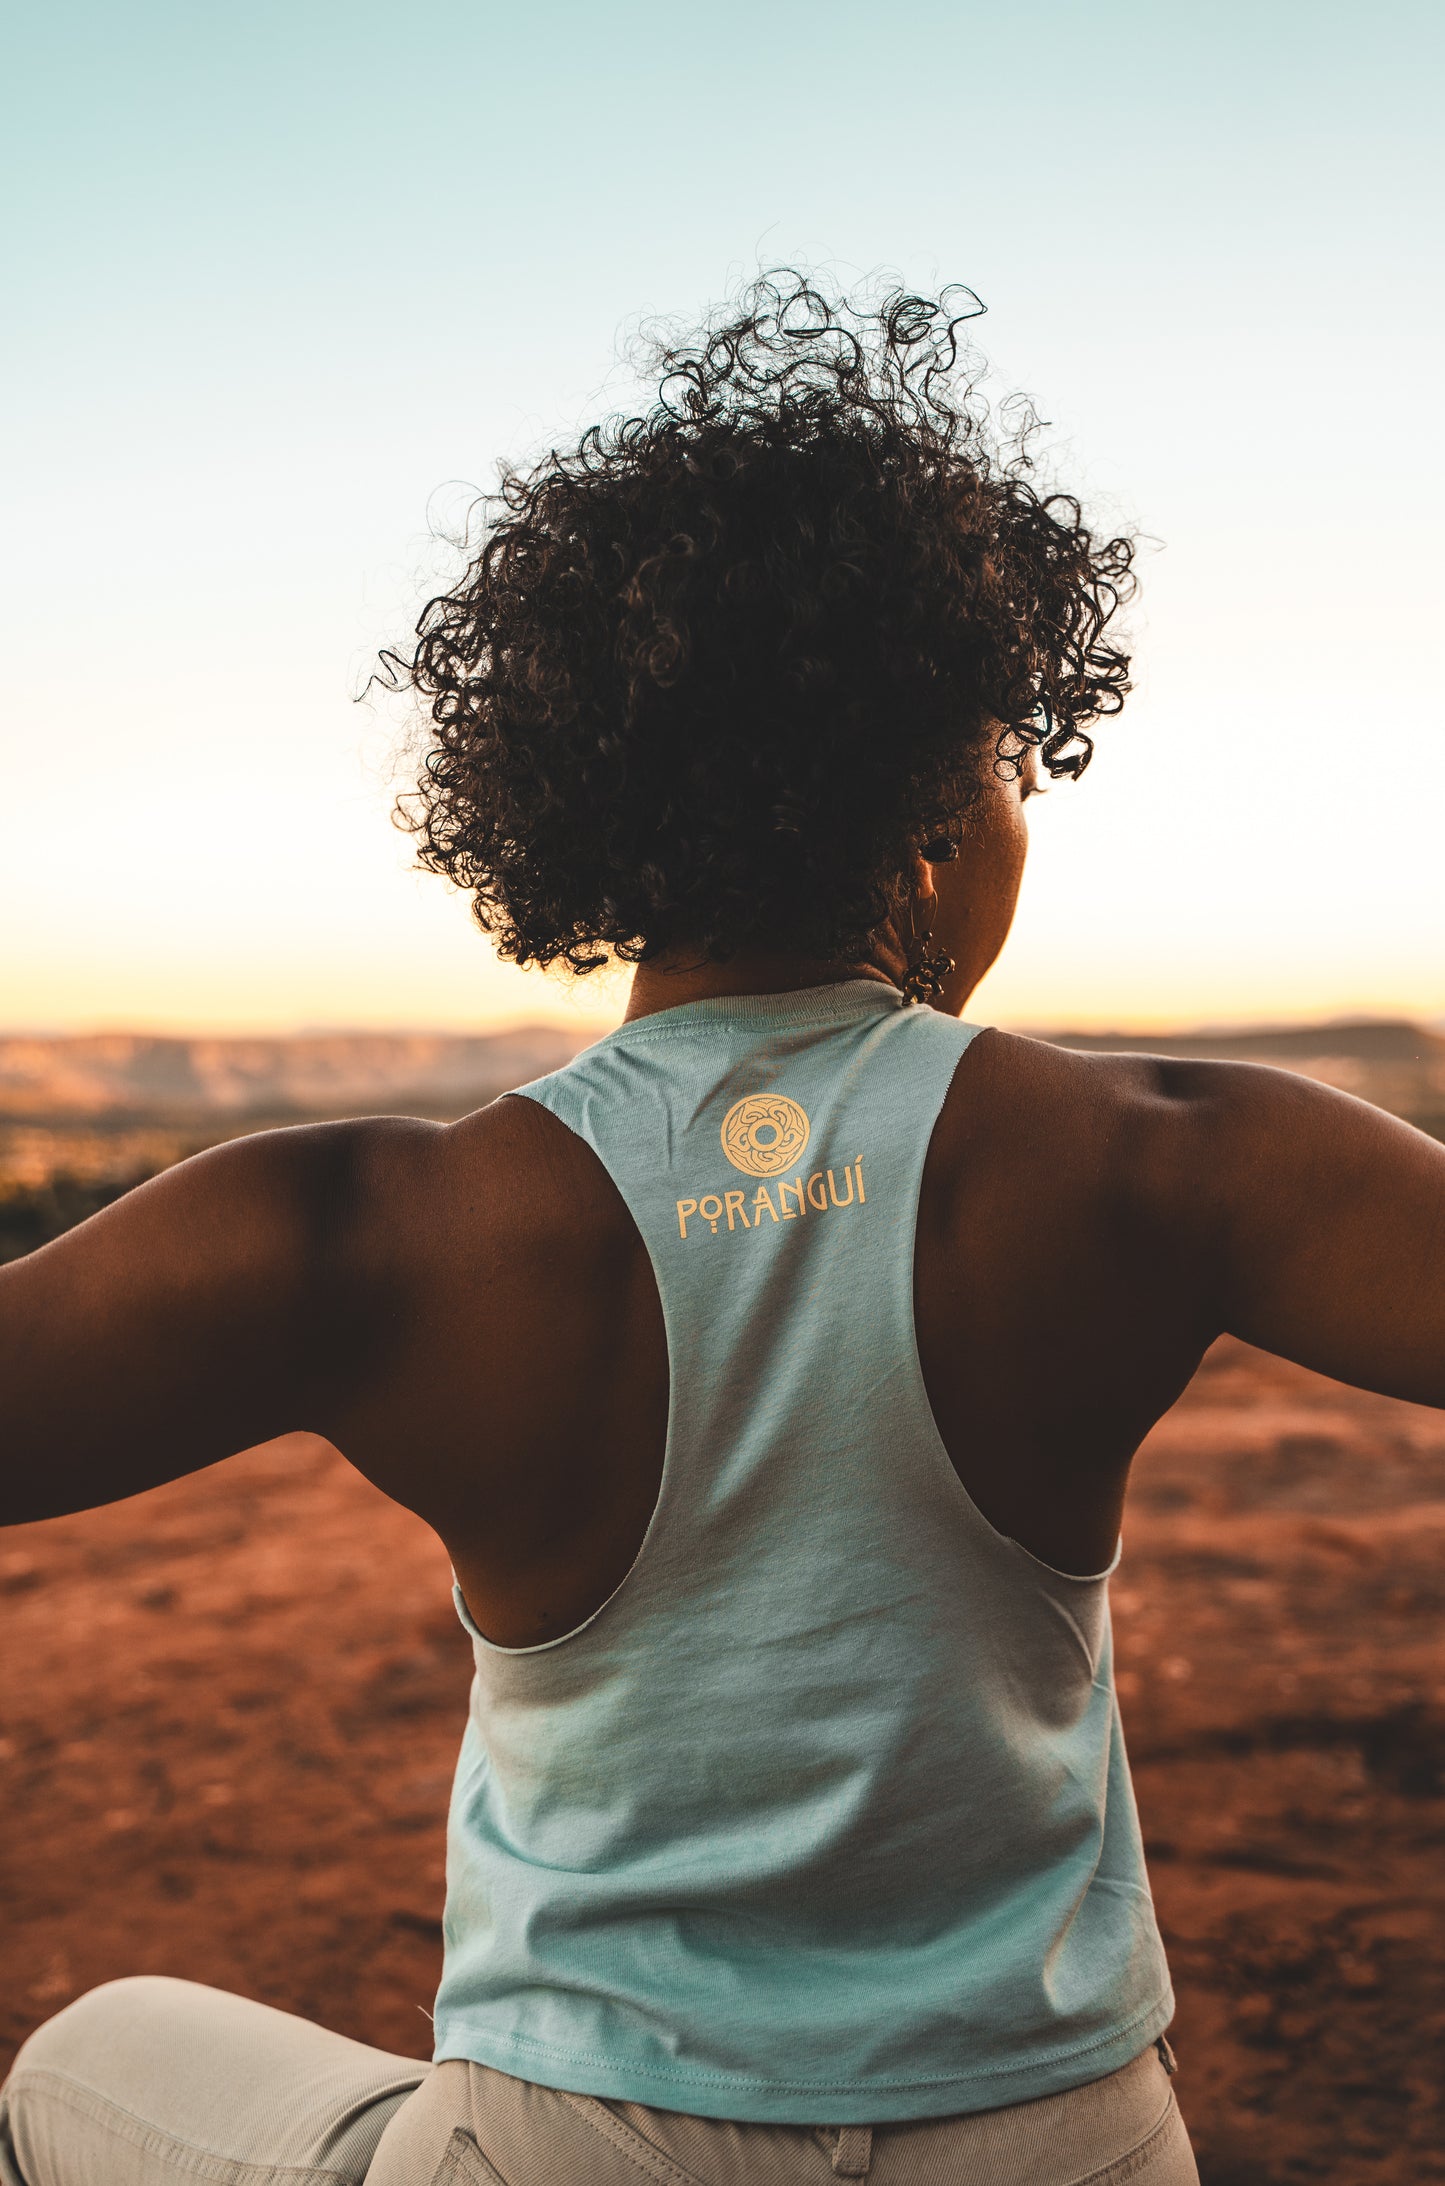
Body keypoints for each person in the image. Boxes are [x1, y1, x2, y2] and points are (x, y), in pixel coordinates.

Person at [2, 274, 1441, 2186]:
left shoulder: (370, 1226)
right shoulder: (1155, 1160)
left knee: (81, 2064)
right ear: (937, 789)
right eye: (1012, 750)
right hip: (1059, 2139)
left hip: (570, 2145)